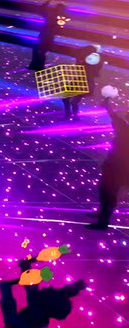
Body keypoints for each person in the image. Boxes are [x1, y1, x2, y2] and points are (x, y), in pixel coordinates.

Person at [89, 86, 128, 230]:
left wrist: (107, 105)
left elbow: (114, 117)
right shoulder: (124, 127)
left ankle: (103, 222)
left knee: (109, 192)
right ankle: (101, 215)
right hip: (116, 165)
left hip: (118, 166)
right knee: (106, 189)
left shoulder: (124, 129)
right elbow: (115, 118)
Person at [29, 0, 65, 71]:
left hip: (48, 33)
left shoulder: (56, 15)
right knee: (39, 49)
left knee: (40, 49)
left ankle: (37, 65)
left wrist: (49, 1)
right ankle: (36, 65)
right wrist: (49, 0)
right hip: (46, 33)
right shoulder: (52, 14)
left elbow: (43, 9)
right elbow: (42, 9)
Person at [64, 45, 103, 120]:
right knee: (69, 99)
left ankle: (72, 115)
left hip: (84, 83)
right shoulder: (87, 61)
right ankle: (71, 115)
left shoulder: (90, 63)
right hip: (80, 82)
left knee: (72, 100)